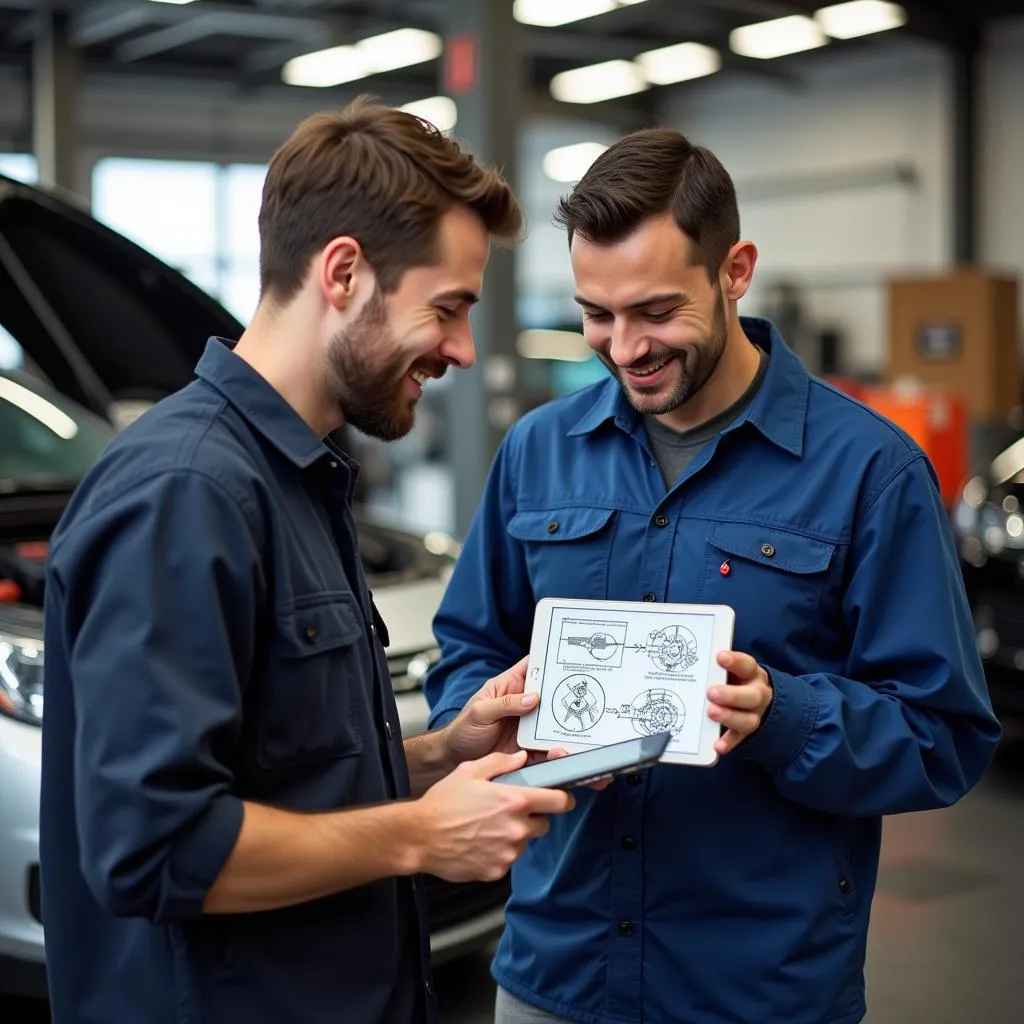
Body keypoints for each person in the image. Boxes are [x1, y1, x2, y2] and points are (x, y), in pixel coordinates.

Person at [424, 128, 1002, 1024]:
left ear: (735, 270)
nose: (623, 347)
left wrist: (783, 715)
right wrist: (497, 723)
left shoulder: (868, 472)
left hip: (756, 989)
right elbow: (468, 648)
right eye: (595, 313)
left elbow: (943, 735)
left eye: (654, 311)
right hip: (556, 975)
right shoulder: (539, 453)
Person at [39, 96, 575, 1024]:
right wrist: (418, 836)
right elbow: (154, 845)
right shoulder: (188, 493)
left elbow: (287, 777)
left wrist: (443, 754)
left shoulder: (297, 479)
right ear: (343, 272)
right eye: (447, 308)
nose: (462, 349)